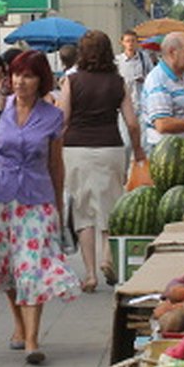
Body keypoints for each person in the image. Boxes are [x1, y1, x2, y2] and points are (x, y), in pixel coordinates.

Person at [0, 50, 80, 364]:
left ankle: (32, 340)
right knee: (6, 269)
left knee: (33, 268)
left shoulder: (53, 116)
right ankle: (18, 325)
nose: (21, 81)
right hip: (0, 199)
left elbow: (56, 165)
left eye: (28, 75)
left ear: (40, 80)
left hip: (37, 199)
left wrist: (58, 205)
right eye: (17, 75)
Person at [59, 31, 143, 293]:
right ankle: (108, 258)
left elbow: (62, 120)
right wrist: (138, 150)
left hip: (76, 150)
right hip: (111, 147)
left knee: (83, 213)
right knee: (110, 207)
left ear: (82, 54)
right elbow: (131, 122)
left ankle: (91, 274)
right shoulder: (119, 83)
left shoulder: (71, 81)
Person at [117, 30, 155, 103]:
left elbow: (153, 77)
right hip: (125, 102)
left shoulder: (144, 58)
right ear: (122, 43)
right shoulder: (118, 61)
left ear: (137, 43)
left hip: (142, 101)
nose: (130, 44)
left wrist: (144, 79)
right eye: (127, 41)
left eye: (133, 41)